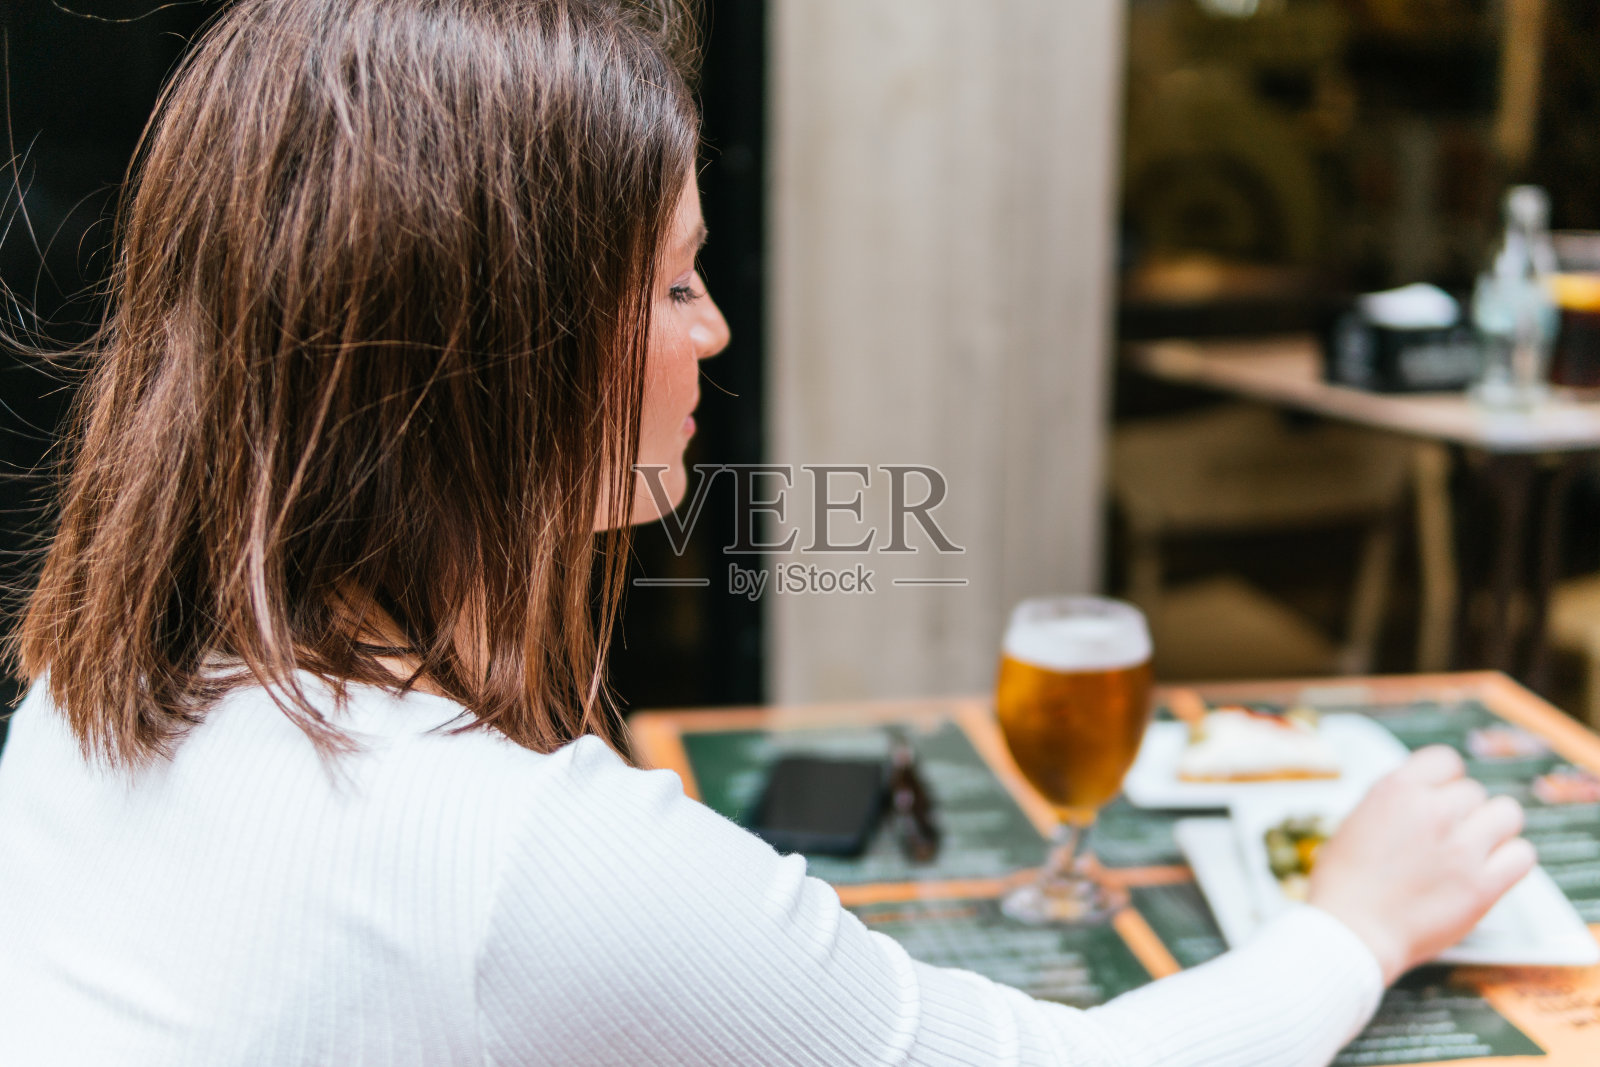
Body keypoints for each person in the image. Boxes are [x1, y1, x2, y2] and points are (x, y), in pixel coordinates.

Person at [0, 1, 1535, 1064]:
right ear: (504, 347)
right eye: (673, 283)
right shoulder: (529, 860)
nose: (715, 328)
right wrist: (1357, 920)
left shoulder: (79, 711)